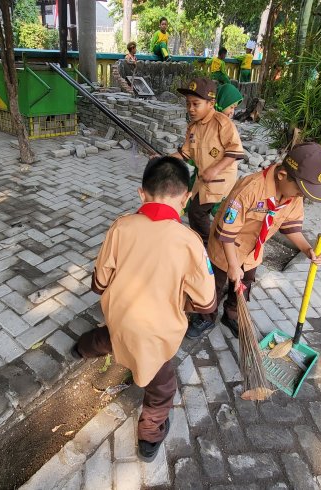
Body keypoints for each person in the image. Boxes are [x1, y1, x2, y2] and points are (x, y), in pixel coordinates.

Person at [71, 156, 216, 462]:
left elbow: (99, 282)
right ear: (187, 198)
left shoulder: (121, 226)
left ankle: (81, 349)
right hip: (157, 334)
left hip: (120, 318)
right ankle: (150, 433)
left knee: (112, 336)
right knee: (161, 386)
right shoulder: (191, 242)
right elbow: (206, 302)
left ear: (141, 194)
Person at [186, 143, 321, 338]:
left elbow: (291, 225)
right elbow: (227, 230)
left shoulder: (293, 195)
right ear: (282, 176)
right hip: (224, 249)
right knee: (214, 286)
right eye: (300, 191)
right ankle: (206, 317)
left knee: (243, 286)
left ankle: (232, 315)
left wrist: (307, 249)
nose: (301, 196)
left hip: (252, 253)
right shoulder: (250, 188)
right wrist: (232, 265)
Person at [173, 78, 245, 245]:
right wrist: (163, 159)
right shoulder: (193, 127)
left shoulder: (222, 123)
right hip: (203, 181)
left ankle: (206, 246)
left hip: (220, 181)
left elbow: (235, 151)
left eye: (195, 104)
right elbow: (185, 153)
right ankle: (210, 241)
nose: (190, 109)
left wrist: (214, 169)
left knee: (197, 212)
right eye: (188, 104)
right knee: (199, 211)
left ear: (211, 103)